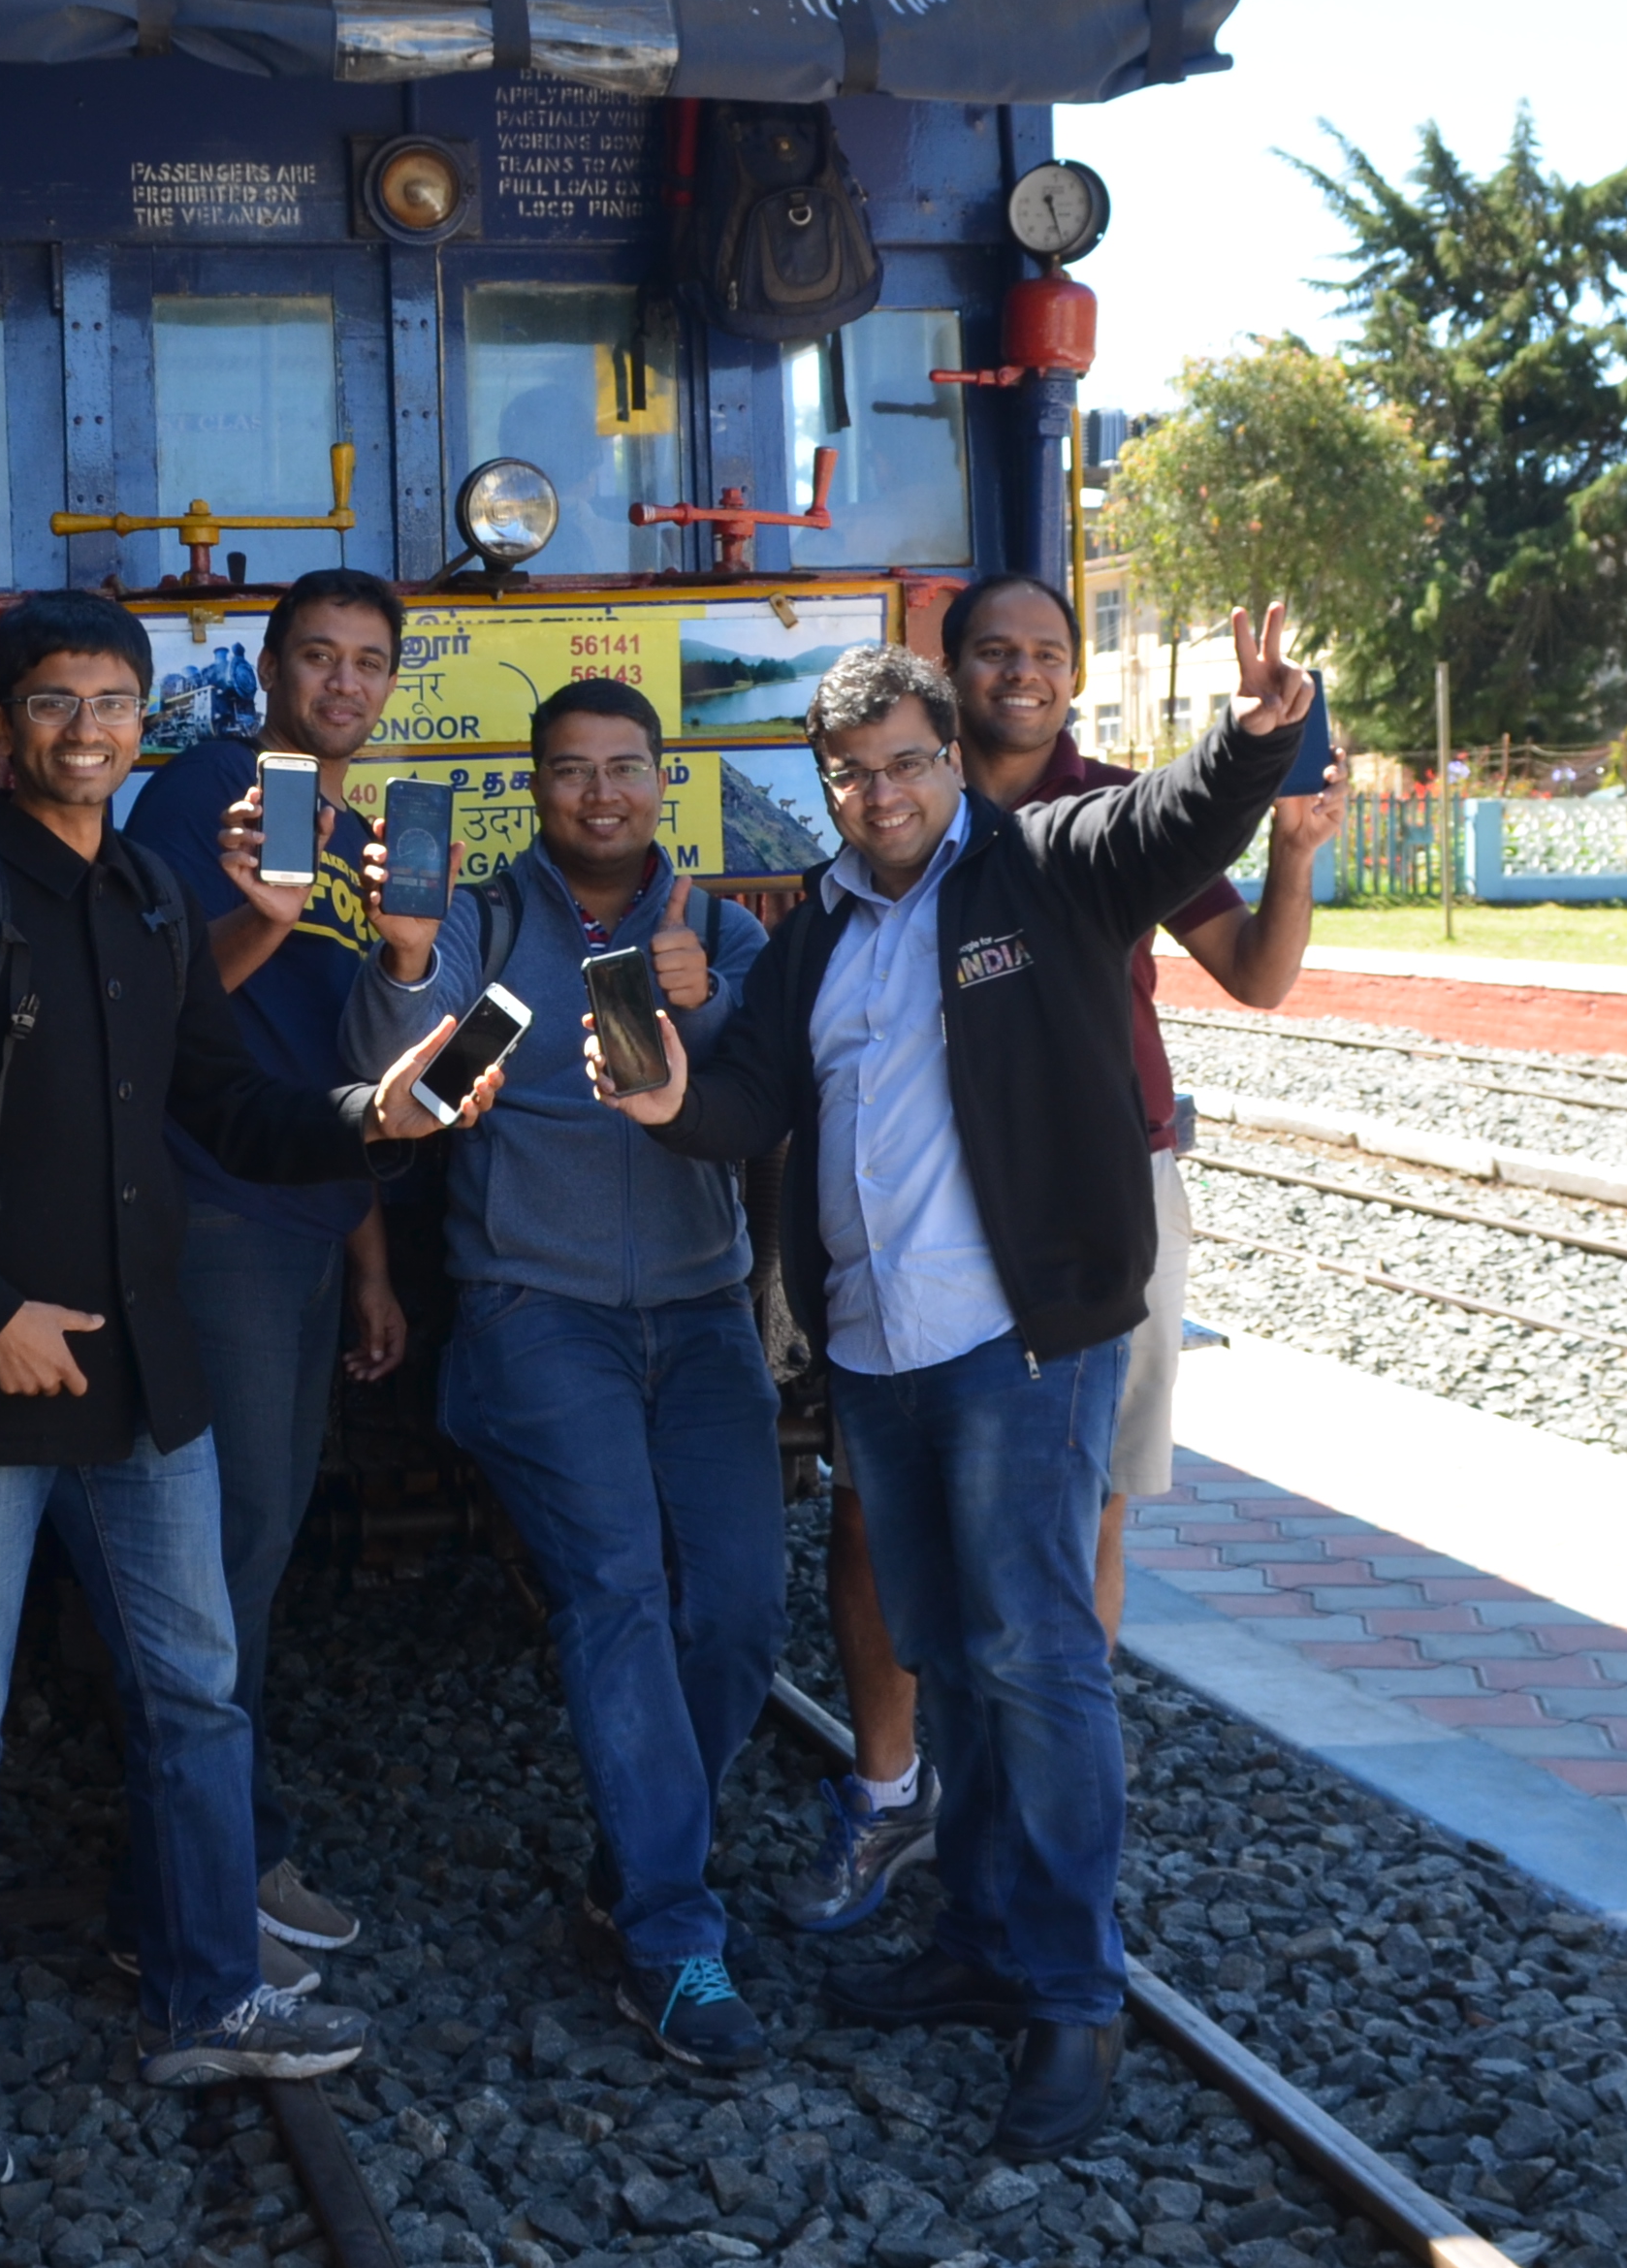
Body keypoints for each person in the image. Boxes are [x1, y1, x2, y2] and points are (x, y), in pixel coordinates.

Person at [0, 589, 498, 2197]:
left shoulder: (151, 899)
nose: (89, 726)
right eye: (55, 700)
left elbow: (229, 1108)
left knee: (198, 1692)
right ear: (0, 715)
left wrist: (371, 1115)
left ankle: (202, 1992)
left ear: (144, 716)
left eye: (114, 700)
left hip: (142, 1386)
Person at [594, 618, 1311, 2161]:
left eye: (906, 764)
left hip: (1019, 1341)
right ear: (827, 784)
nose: (880, 794)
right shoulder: (817, 936)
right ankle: (985, 1939)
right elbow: (750, 1099)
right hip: (875, 1352)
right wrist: (669, 1103)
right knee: (947, 1652)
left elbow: (1178, 814)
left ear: (948, 764)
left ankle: (1071, 1994)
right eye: (849, 774)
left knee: (1036, 1654)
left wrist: (1254, 739)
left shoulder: (1047, 864)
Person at [785, 574, 1346, 1930]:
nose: (1022, 673)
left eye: (1048, 651)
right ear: (943, 677)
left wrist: (1265, 771)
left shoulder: (1067, 833)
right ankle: (915, 1806)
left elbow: (1222, 906)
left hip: (1084, 1207)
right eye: (994, 651)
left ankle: (1052, 1876)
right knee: (899, 1538)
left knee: (1061, 1553)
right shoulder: (849, 885)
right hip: (909, 1258)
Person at [341, 678, 780, 2069]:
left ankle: (635, 1860)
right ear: (534, 789)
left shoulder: (715, 930)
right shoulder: (497, 924)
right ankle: (668, 1934)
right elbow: (408, 1093)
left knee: (744, 1608)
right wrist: (411, 958)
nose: (603, 792)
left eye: (627, 769)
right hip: (540, 1314)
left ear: (665, 781)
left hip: (705, 1316)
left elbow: (765, 1107)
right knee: (617, 1590)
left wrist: (700, 1022)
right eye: (574, 770)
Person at [115, 567, 413, 1974]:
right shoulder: (208, 795)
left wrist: (368, 1257)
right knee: (216, 1563)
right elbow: (153, 1015)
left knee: (259, 1553)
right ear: (269, 668)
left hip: (302, 1223)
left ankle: (239, 1842)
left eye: (366, 663)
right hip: (217, 1218)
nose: (341, 685)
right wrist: (274, 912)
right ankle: (193, 1886)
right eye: (316, 659)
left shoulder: (348, 825)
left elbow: (332, 1063)